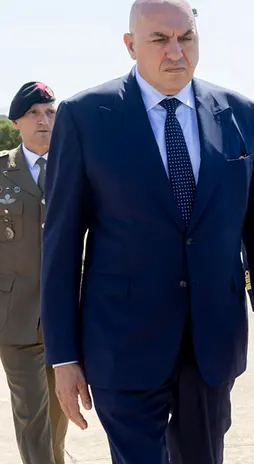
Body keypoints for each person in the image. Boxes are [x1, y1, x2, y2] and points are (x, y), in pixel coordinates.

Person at [40, 2, 254, 462]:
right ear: (130, 45)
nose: (176, 52)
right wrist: (63, 357)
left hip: (212, 344)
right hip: (121, 342)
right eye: (160, 39)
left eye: (187, 37)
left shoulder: (241, 115)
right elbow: (60, 245)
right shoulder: (85, 117)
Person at [0, 82, 68, 464]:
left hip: (67, 314)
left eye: (50, 112)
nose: (44, 120)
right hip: (15, 315)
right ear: (16, 123)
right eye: (33, 113)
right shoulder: (1, 171)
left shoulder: (75, 168)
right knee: (31, 415)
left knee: (59, 414)